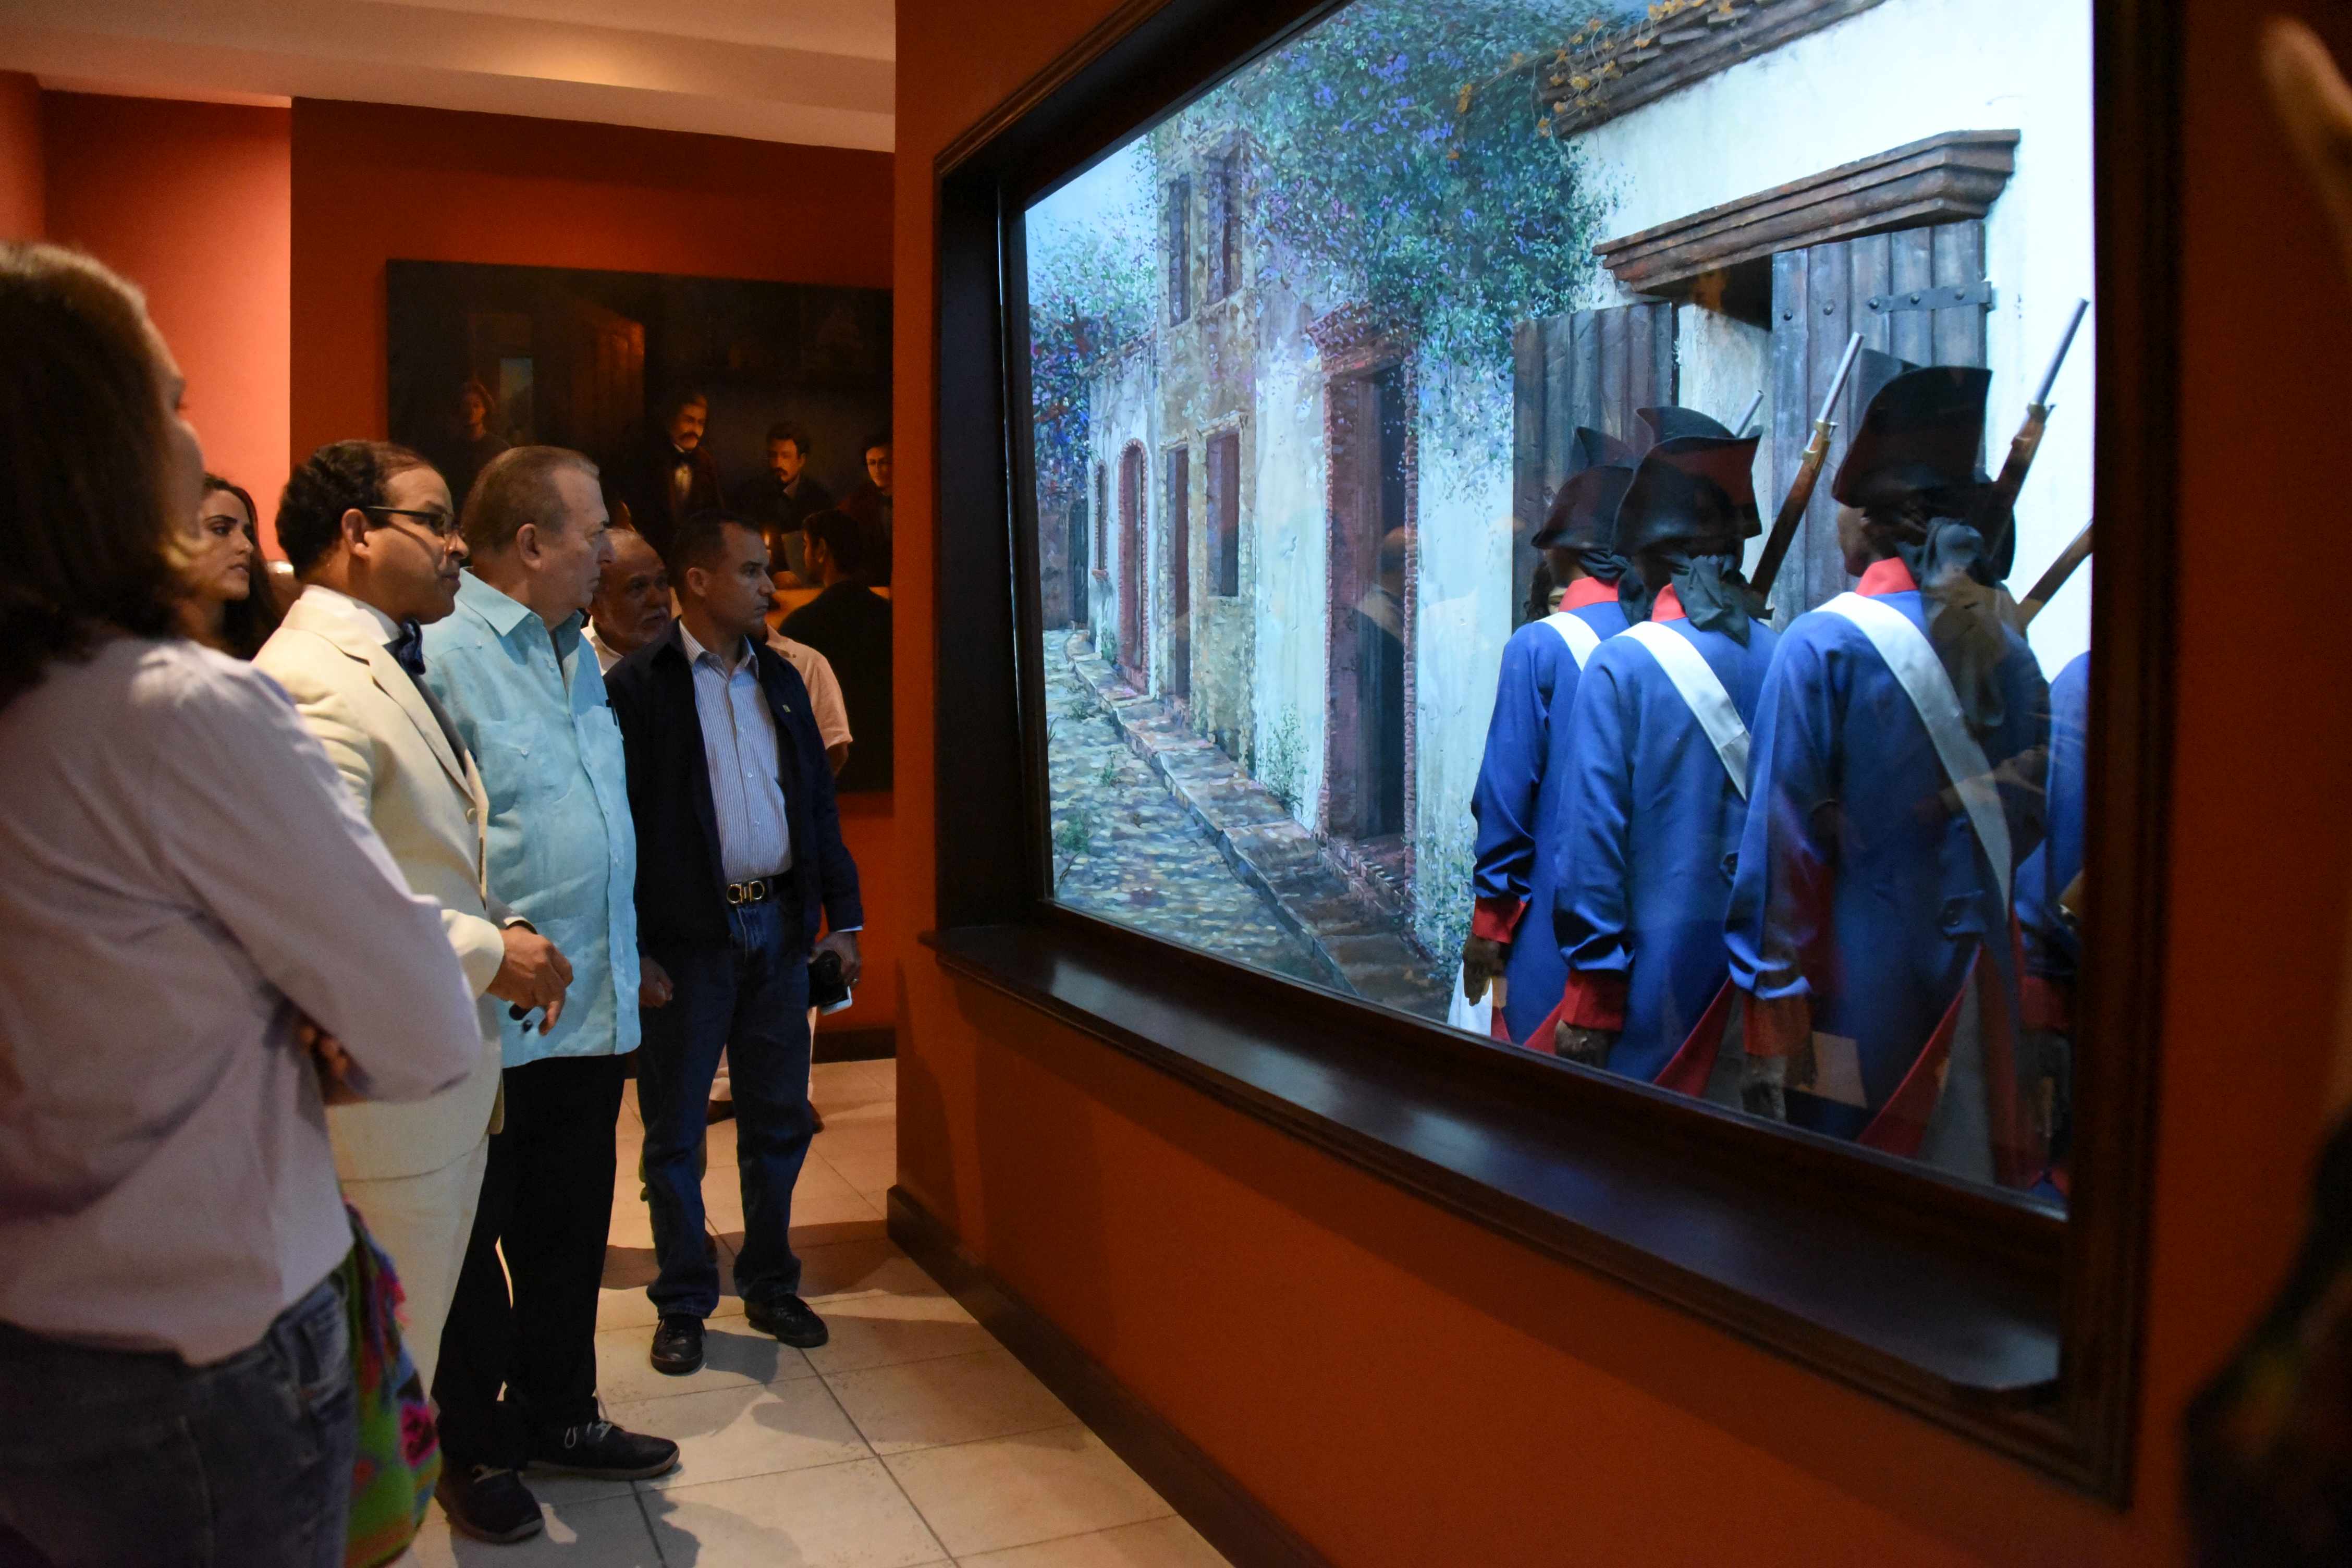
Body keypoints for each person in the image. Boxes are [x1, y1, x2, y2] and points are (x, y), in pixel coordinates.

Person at [0, 241, 481, 1566]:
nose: (195, 436)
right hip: (192, 1343)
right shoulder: (178, 712)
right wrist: (302, 1018)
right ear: (93, 450)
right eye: (170, 399)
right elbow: (424, 1029)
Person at [254, 436, 574, 1402]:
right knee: (381, 1391)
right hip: (381, 1105)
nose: (457, 546)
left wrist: (497, 922)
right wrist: (489, 951)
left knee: (405, 1375)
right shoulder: (310, 673)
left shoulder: (382, 654)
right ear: (356, 532)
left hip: (432, 1080)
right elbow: (316, 891)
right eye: (433, 522)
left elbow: (410, 853)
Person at [422, 446, 675, 1542]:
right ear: (531, 542)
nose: (608, 548)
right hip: (489, 1015)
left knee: (569, 1229)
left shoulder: (577, 651)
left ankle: (561, 1411)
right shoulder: (442, 655)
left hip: (588, 1004)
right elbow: (422, 845)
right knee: (474, 1245)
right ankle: (474, 1445)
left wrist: (630, 951)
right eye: (594, 526)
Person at [1725, 358, 2050, 1187]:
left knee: (1843, 1203)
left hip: (1858, 990)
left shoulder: (1822, 644)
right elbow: (2028, 817)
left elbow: (1785, 845)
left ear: (1874, 519)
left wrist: (1771, 1011)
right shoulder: (2012, 652)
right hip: (1982, 982)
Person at [607, 512, 863, 1378]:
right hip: (689, 940)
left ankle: (770, 1281)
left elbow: (816, 806)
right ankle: (684, 1298)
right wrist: (634, 947)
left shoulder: (784, 678)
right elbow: (621, 829)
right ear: (699, 580)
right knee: (676, 1132)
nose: (769, 585)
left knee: (777, 1119)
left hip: (779, 929)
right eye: (751, 571)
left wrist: (844, 919)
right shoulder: (639, 687)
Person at [1545, 426, 1778, 1098]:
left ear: (1644, 556)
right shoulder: (1783, 649)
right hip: (1755, 985)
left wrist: (1590, 996)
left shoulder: (1622, 663)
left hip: (1653, 981)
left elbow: (1591, 842)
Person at [1460, 430, 1635, 1048]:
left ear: (1564, 553)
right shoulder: (1659, 642)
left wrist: (1489, 925)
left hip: (1554, 923)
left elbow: (1506, 798)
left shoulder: (1538, 644)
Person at [782, 508, 892, 792]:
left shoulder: (800, 626)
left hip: (827, 772)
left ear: (821, 550)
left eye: (806, 545)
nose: (804, 553)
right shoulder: (890, 617)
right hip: (886, 764)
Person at [178, 472, 284, 657]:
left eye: (249, 535)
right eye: (221, 530)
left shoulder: (270, 649)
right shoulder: (140, 651)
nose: (247, 546)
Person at [617, 390, 724, 560]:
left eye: (701, 423)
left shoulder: (706, 463)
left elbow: (716, 514)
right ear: (670, 421)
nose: (695, 430)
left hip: (692, 558)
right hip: (648, 556)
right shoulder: (644, 457)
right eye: (689, 420)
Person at [743, 423, 834, 585]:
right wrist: (772, 574)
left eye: (785, 456)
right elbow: (743, 548)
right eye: (773, 456)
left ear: (801, 460)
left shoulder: (820, 498)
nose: (778, 463)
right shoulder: (751, 495)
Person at [587, 524, 673, 672]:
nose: (658, 600)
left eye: (661, 582)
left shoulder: (695, 651)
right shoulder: (571, 671)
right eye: (637, 587)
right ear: (593, 604)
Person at [442, 378, 509, 521]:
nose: (470, 411)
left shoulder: (499, 448)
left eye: (476, 406)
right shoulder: (449, 450)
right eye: (465, 406)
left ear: (485, 410)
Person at [838, 431, 893, 587]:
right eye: (872, 463)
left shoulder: (912, 498)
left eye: (884, 462)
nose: (877, 470)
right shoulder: (858, 500)